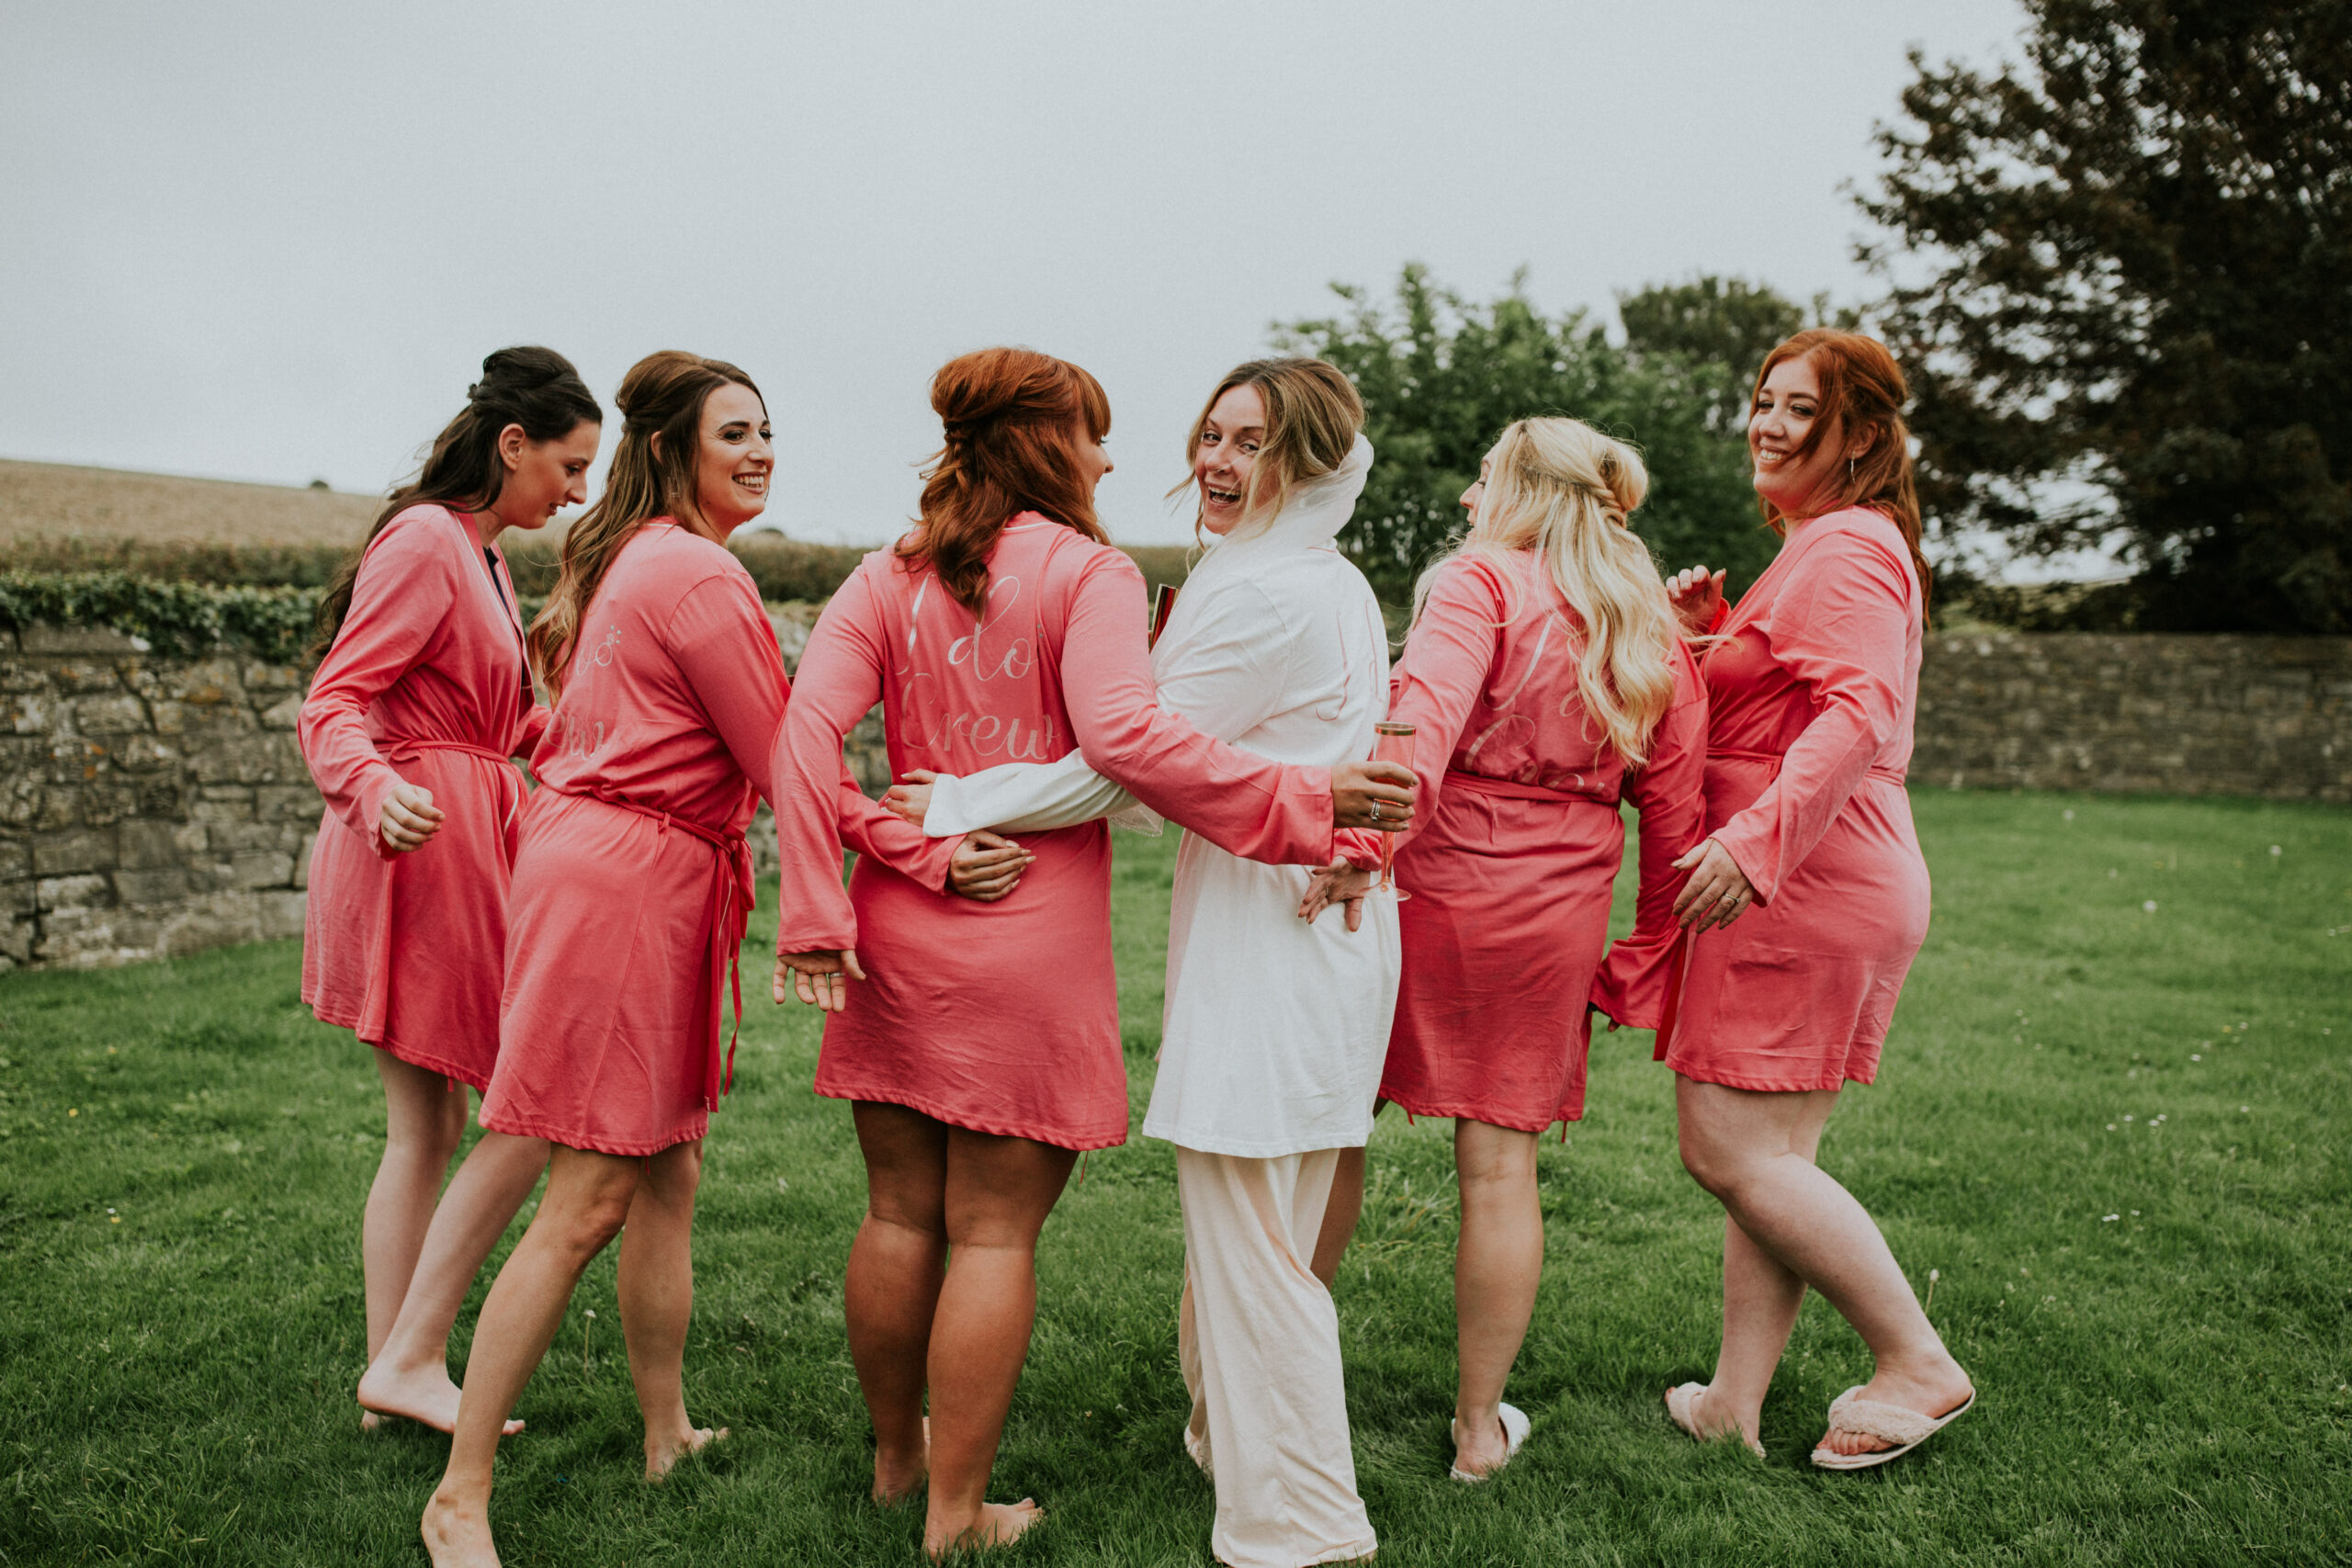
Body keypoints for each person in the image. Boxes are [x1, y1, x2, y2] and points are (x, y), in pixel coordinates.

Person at [767, 346, 1416, 1559]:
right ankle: (956, 1513)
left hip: (900, 918)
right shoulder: (1094, 573)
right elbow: (1126, 739)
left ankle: (892, 1465)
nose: (1120, 461)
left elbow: (803, 731)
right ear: (1046, 446)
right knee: (995, 1232)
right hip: (1028, 931)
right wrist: (1305, 801)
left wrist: (826, 894)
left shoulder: (884, 575)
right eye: (1096, 435)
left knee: (900, 1212)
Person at [420, 351, 1014, 1568]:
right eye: (733, 432)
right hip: (627, 889)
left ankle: (665, 1427)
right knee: (583, 1198)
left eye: (767, 430)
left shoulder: (646, 557)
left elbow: (767, 757)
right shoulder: (696, 572)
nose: (759, 449)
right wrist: (926, 848)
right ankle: (459, 1491)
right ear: (677, 449)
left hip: (628, 870)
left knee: (667, 1176)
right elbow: (784, 758)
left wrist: (881, 819)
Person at [1307, 416, 1708, 1481]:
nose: (1464, 499)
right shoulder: (1643, 618)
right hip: (1556, 907)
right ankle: (1479, 1430)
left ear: (1524, 487)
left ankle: (1269, 1391)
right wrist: (1646, 949)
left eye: (1480, 476)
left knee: (1334, 1125)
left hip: (1434, 882)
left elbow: (1420, 720)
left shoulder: (1478, 582)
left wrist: (1362, 842)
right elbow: (1674, 810)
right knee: (1500, 1169)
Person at [1656, 329, 1973, 1468]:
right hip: (1823, 874)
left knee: (1728, 1151)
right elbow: (1782, 699)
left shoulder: (1845, 547)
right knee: (1772, 1159)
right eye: (1761, 400)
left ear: (1861, 438)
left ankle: (1915, 1361)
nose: (1767, 422)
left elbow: (1856, 716)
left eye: (1799, 408)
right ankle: (1730, 1403)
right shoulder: (1821, 546)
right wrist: (1712, 639)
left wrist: (1753, 846)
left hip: (1804, 877)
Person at [298, 346, 600, 1434]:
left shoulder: (486, 554)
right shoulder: (428, 538)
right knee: (466, 1111)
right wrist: (373, 790)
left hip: (468, 826)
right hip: (415, 839)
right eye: (568, 466)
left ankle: (396, 1372)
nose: (577, 492)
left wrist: (587, 745)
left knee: (430, 1123)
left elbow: (498, 716)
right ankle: (406, 1364)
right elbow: (335, 700)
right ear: (510, 444)